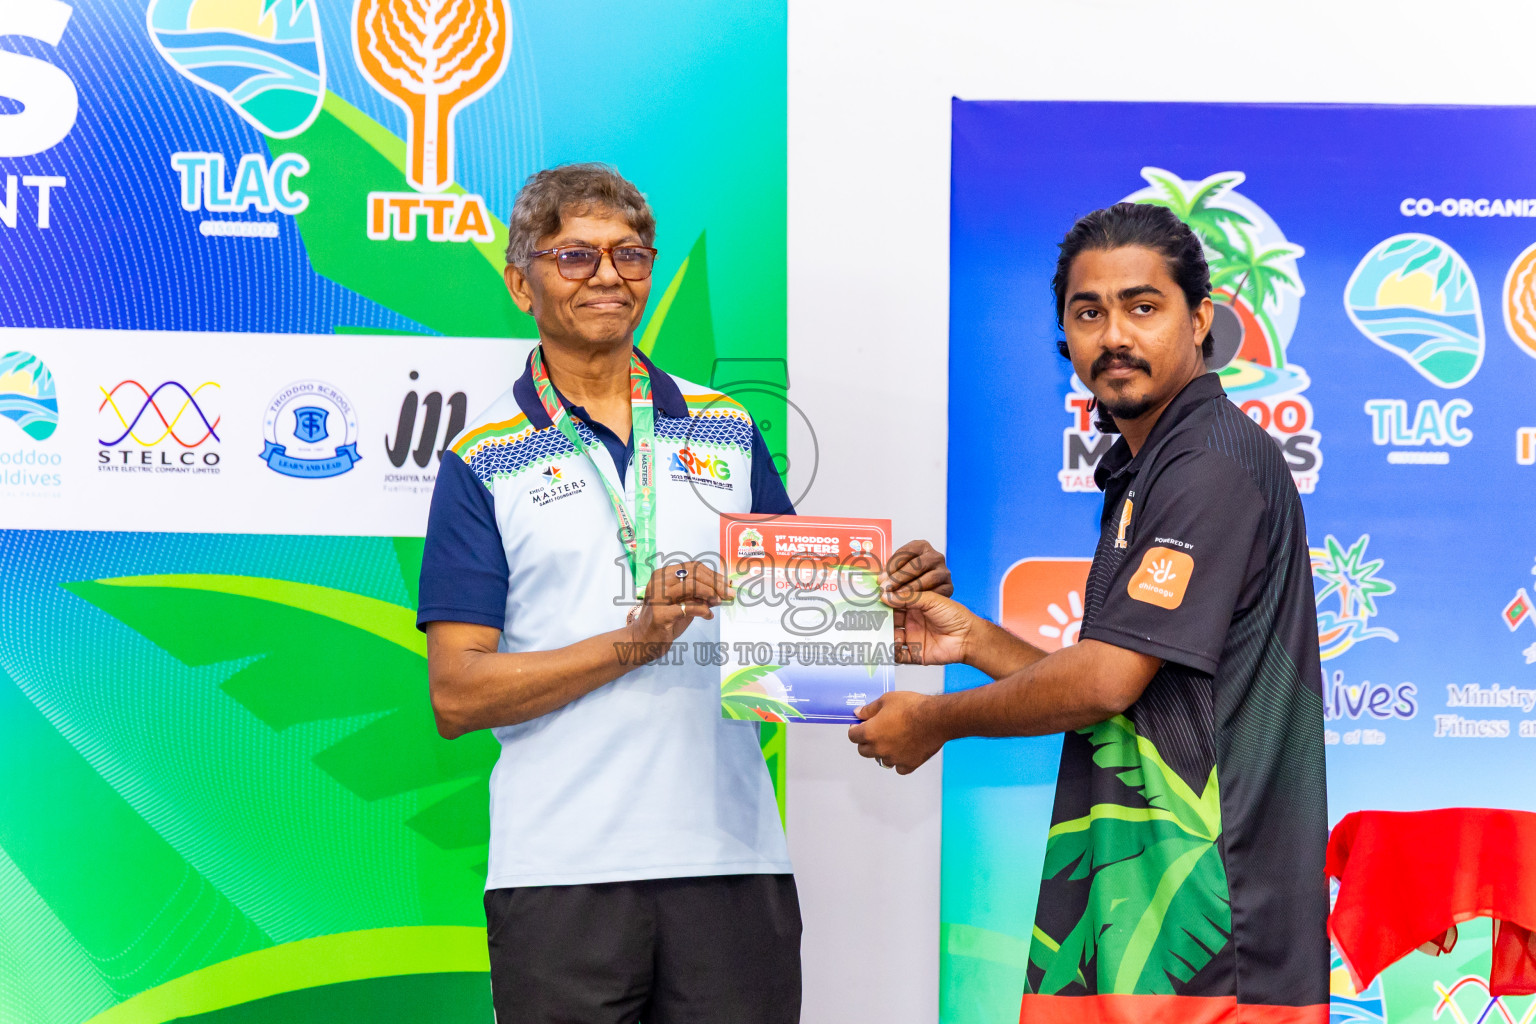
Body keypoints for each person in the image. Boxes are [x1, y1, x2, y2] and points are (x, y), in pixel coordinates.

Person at [417, 163, 949, 1024]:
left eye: (629, 255)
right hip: (561, 874)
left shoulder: (727, 429)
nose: (608, 277)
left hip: (733, 861)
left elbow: (793, 632)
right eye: (576, 256)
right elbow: (457, 692)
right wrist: (634, 641)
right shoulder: (482, 458)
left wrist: (894, 616)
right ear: (523, 284)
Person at [851, 203, 1329, 1023]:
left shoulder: (1207, 463)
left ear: (1201, 318)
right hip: (1141, 908)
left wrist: (936, 721)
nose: (1114, 334)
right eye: (1088, 312)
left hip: (1210, 926)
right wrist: (975, 639)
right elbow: (1133, 692)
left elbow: (1105, 681)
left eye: (1143, 307)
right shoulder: (1149, 466)